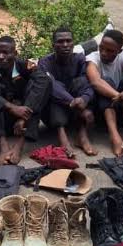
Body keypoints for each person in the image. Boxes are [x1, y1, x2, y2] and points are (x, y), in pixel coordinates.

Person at [0, 36, 51, 166]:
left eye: (6, 53)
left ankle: (19, 145)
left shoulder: (25, 66)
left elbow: (44, 80)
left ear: (15, 54)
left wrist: (23, 116)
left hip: (22, 121)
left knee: (39, 87)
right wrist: (10, 107)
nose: (1, 57)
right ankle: (3, 146)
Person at [39, 27, 97, 157]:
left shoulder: (80, 59)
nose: (65, 45)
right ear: (53, 45)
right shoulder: (45, 62)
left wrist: (84, 99)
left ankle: (82, 135)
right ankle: (62, 138)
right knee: (52, 86)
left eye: (68, 41)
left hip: (76, 112)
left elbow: (90, 83)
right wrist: (74, 103)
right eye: (60, 42)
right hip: (54, 115)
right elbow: (52, 86)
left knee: (82, 81)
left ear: (73, 43)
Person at [86, 29, 123, 156]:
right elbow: (96, 82)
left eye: (110, 51)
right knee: (105, 81)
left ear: (119, 51)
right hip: (103, 110)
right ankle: (115, 137)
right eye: (101, 48)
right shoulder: (92, 58)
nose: (103, 53)